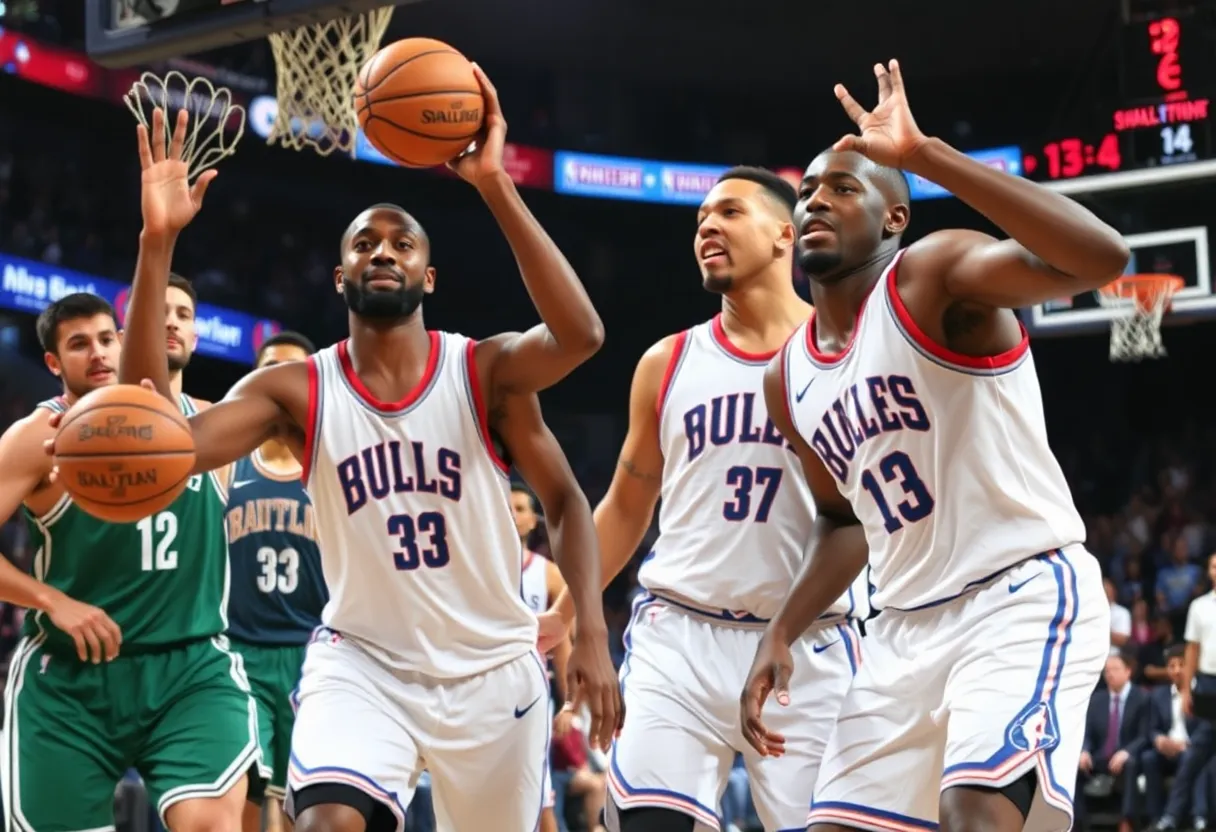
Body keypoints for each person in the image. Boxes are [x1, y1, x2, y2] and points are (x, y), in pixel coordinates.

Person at [97, 78, 621, 832]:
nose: (383, 252)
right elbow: (154, 438)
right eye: (364, 244)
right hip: (363, 662)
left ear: (427, 277)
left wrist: (495, 183)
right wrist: (158, 243)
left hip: (490, 669)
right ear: (340, 276)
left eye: (402, 244)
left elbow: (581, 354)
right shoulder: (296, 392)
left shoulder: (482, 371)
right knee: (326, 824)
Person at [739, 59, 1128, 832]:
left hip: (1018, 594)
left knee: (974, 816)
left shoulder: (930, 277)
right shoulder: (787, 379)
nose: (817, 198)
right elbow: (844, 523)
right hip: (900, 631)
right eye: (809, 189)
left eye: (844, 187)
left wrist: (926, 158)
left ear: (892, 219)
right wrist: (780, 630)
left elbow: (1102, 257)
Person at [546, 166, 868, 832]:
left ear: (786, 233)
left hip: (809, 644)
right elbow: (627, 506)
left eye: (728, 213)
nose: (707, 228)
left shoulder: (847, 355)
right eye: (699, 221)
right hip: (680, 638)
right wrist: (568, 611)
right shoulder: (668, 362)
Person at [1, 292, 260, 832]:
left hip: (189, 670)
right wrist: (52, 600)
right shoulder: (38, 438)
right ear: (53, 363)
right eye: (78, 345)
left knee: (211, 825)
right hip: (70, 679)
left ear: (124, 341)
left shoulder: (202, 425)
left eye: (105, 338)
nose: (97, 354)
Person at [224, 330, 329, 832]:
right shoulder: (228, 464)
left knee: (298, 800)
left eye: (290, 370)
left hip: (315, 654)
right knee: (241, 793)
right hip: (238, 652)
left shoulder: (331, 467)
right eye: (268, 367)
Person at [513, 483, 576, 832]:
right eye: (506, 506)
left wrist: (568, 704)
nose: (512, 513)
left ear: (534, 520)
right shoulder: (476, 568)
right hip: (480, 690)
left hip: (532, 697)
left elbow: (564, 643)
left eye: (520, 508)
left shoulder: (548, 572)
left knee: (540, 797)